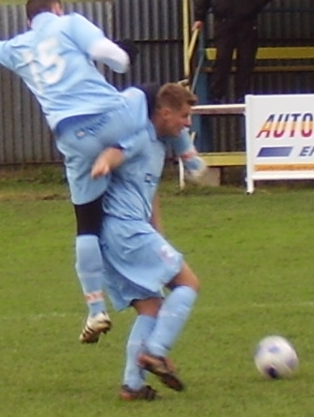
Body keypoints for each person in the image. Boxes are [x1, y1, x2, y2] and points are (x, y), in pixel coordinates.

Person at [0, 0, 148, 344]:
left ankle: (95, 309)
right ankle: (182, 159)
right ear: (57, 8)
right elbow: (110, 56)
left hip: (72, 135)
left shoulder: (19, 46)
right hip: (111, 117)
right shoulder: (69, 23)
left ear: (28, 21)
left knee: (86, 222)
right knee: (147, 96)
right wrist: (127, 53)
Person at [91, 82, 202, 401]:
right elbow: (115, 152)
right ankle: (155, 351)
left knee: (150, 307)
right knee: (188, 283)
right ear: (163, 113)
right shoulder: (140, 135)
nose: (186, 123)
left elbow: (150, 194)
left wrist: (158, 234)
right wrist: (104, 164)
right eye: (183, 116)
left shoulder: (160, 144)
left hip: (119, 236)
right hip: (123, 230)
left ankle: (133, 385)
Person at [194, 0, 273, 104]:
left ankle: (242, 97)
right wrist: (199, 17)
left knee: (246, 61)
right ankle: (216, 96)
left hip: (247, 22)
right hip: (223, 22)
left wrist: (251, 8)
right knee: (222, 59)